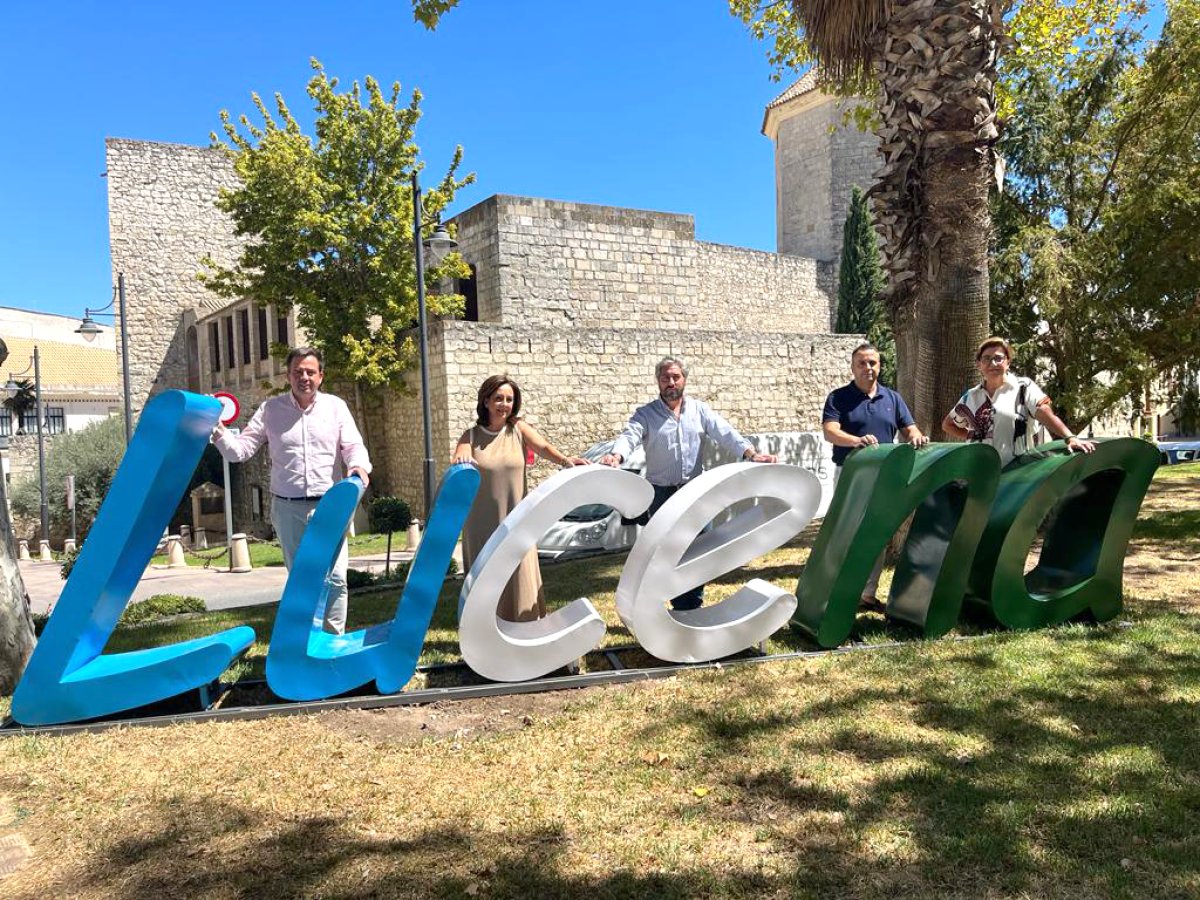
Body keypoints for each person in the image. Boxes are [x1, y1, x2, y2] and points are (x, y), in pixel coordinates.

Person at [212, 346, 371, 635]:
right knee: (301, 580)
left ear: (321, 376)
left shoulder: (336, 407)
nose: (304, 377)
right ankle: (306, 642)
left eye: (310, 371)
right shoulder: (271, 410)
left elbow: (352, 446)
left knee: (335, 579)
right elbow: (241, 451)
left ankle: (333, 642)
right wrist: (220, 433)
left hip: (330, 506)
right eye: (298, 372)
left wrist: (359, 467)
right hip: (287, 508)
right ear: (288, 376)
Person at [599, 356, 777, 611]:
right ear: (658, 382)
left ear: (684, 379)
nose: (671, 382)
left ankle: (690, 607)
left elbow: (725, 432)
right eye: (665, 378)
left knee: (698, 550)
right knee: (666, 552)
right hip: (661, 495)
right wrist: (616, 455)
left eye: (675, 377)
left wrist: (750, 453)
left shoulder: (700, 410)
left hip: (696, 492)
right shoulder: (645, 414)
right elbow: (630, 436)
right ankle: (666, 605)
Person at [452, 374, 589, 622]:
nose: (504, 404)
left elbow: (544, 448)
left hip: (516, 518)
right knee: (485, 575)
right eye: (498, 399)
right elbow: (459, 457)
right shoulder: (470, 436)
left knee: (520, 570)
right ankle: (485, 628)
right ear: (485, 401)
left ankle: (525, 624)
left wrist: (566, 461)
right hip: (481, 523)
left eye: (509, 399)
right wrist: (462, 457)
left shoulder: (518, 429)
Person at [821, 341, 929, 610]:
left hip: (885, 475)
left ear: (879, 366)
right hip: (851, 474)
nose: (868, 367)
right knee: (847, 531)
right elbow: (830, 431)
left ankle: (868, 594)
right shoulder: (838, 397)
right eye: (862, 363)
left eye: (873, 363)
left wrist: (916, 437)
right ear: (853, 366)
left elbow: (910, 429)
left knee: (876, 533)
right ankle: (839, 590)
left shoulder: (893, 398)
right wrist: (856, 440)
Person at [942, 337, 1096, 468]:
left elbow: (1045, 413)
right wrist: (975, 437)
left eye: (998, 358)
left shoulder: (1023, 388)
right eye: (986, 358)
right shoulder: (971, 396)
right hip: (979, 474)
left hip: (1017, 475)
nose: (992, 363)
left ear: (1008, 362)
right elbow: (948, 424)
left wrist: (1070, 437)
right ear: (979, 365)